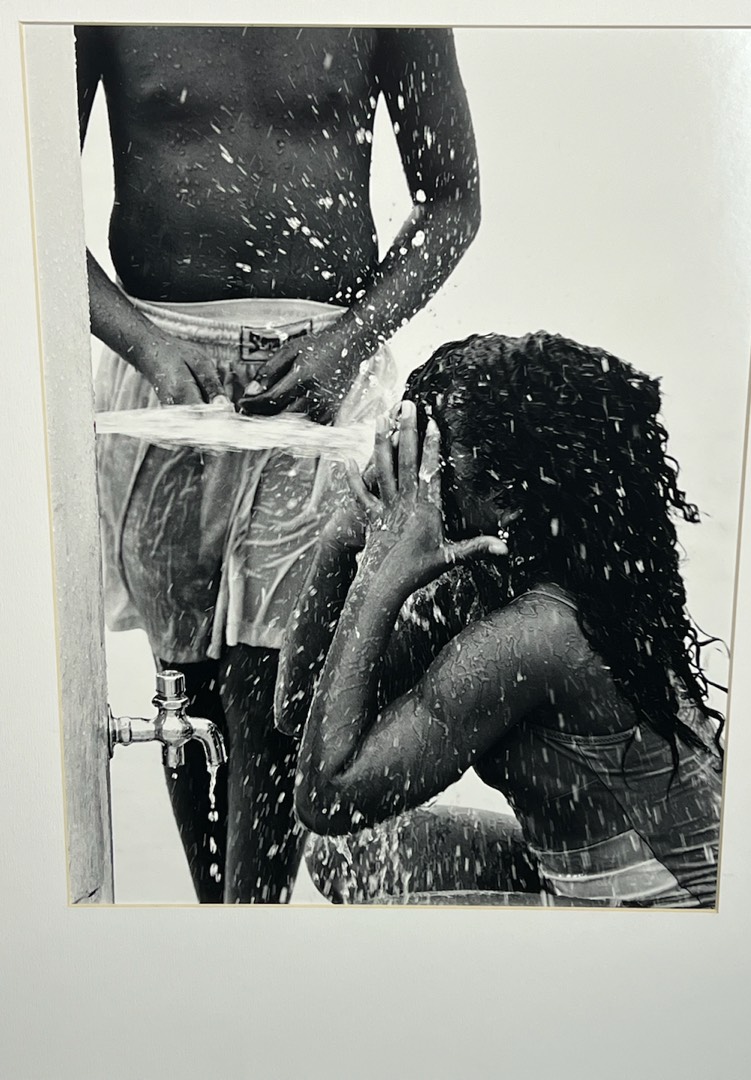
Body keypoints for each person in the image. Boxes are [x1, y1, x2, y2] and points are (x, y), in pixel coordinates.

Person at [74, 25, 481, 902]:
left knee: (279, 678)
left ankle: (246, 929)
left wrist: (350, 340)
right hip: (161, 364)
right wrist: (148, 346)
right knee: (186, 686)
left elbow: (454, 199)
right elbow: (21, 203)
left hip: (330, 369)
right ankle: (226, 930)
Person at [276, 331, 726, 907]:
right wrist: (344, 535)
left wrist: (380, 569)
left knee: (386, 919)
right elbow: (299, 712)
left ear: (510, 496)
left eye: (435, 465)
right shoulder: (487, 580)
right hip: (588, 877)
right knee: (345, 857)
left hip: (676, 911)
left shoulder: (540, 634)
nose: (417, 484)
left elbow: (326, 796)